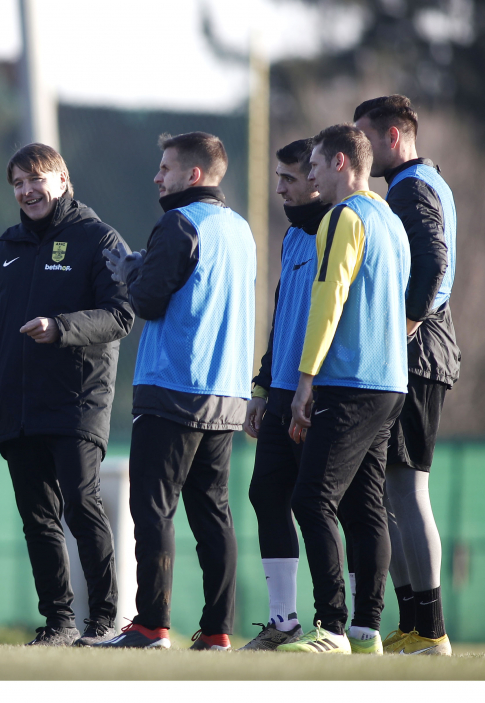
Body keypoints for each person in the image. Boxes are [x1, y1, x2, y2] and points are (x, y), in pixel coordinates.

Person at [0, 143, 133, 647]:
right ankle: (59, 623)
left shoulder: (99, 239)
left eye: (35, 179)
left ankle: (104, 621)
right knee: (38, 519)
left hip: (77, 400)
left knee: (81, 505)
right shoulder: (6, 249)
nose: (26, 191)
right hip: (19, 407)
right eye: (17, 184)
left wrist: (60, 327)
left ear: (61, 179)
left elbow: (121, 314)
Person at [97, 131, 255, 651]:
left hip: (173, 387)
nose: (157, 177)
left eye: (166, 168)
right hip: (226, 392)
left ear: (194, 174)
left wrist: (132, 270)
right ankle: (217, 631)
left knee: (154, 509)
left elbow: (147, 301)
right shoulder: (240, 229)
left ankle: (151, 626)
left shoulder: (179, 223)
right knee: (214, 515)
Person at [278, 124, 409, 655]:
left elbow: (328, 296)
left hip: (349, 380)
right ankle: (365, 630)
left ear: (339, 163)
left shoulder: (342, 216)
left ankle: (330, 626)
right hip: (389, 382)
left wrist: (305, 379)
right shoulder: (391, 221)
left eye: (313, 165)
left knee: (311, 499)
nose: (309, 176)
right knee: (365, 506)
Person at [354, 95, 457, 656]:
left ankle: (432, 630)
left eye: (366, 137)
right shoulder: (426, 181)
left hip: (419, 355)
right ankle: (415, 625)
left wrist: (408, 322)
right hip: (421, 353)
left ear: (392, 137)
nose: (360, 149)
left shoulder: (411, 188)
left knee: (407, 487)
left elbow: (435, 263)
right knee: (393, 487)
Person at [239, 139, 332, 650]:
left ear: (316, 179)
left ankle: (341, 625)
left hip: (317, 394)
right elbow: (283, 322)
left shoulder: (339, 230)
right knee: (266, 494)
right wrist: (260, 386)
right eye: (278, 177)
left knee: (323, 506)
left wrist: (309, 383)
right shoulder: (294, 236)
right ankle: (284, 622)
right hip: (278, 394)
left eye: (289, 178)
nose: (279, 188)